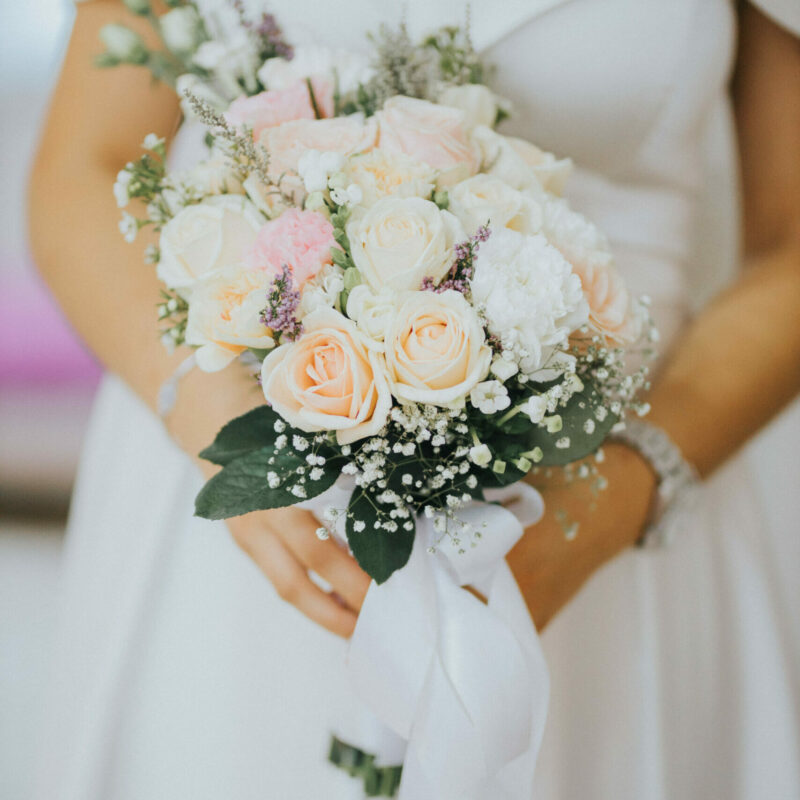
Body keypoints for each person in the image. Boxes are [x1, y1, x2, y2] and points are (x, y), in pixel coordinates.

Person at [28, 0, 800, 798]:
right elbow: (83, 166)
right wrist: (221, 426)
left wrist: (612, 502)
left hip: (612, 521)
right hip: (242, 522)